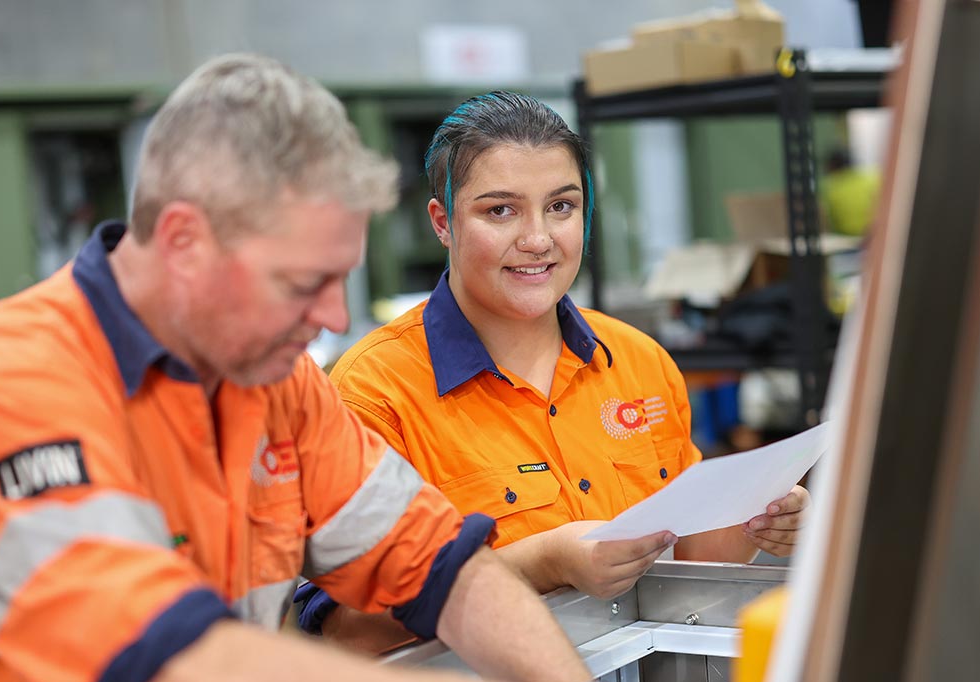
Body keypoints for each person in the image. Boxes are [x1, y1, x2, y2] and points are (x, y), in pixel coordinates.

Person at [0, 57, 678, 682]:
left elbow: (441, 568)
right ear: (183, 242)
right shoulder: (5, 393)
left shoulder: (275, 386)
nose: (335, 319)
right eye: (303, 283)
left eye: (344, 278)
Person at [301, 91, 808, 649]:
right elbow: (345, 633)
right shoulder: (372, 393)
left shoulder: (639, 362)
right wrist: (545, 562)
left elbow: (685, 565)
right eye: (500, 210)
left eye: (561, 206)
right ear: (443, 222)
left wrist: (753, 521)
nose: (538, 239)